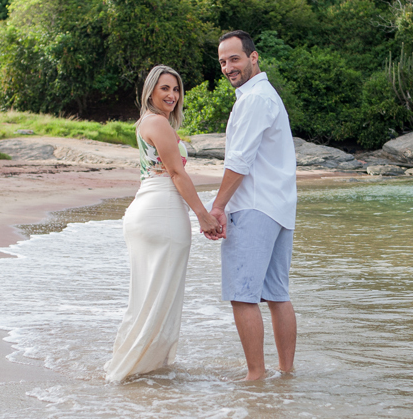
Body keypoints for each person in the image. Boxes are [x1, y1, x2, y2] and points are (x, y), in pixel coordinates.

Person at [105, 65, 221, 382]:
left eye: (176, 89)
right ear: (151, 92)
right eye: (165, 89)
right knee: (157, 296)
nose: (172, 95)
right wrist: (203, 215)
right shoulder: (156, 122)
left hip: (150, 209)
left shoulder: (149, 123)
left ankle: (136, 368)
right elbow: (176, 174)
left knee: (147, 295)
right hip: (163, 211)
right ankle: (131, 370)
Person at [204, 30, 298, 381]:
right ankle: (285, 375)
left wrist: (217, 207)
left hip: (254, 207)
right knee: (277, 295)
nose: (228, 67)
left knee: (243, 296)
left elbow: (239, 161)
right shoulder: (266, 95)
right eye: (223, 62)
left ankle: (255, 377)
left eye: (235, 59)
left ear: (253, 57)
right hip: (279, 207)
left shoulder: (255, 99)